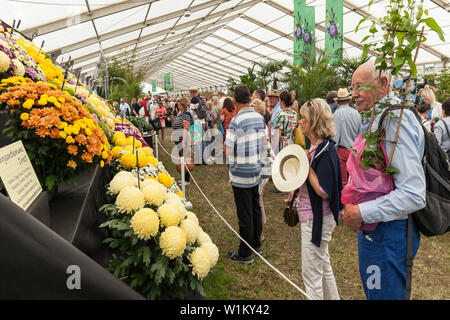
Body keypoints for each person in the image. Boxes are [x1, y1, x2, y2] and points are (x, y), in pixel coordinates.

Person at [344, 60, 425, 300]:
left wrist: (363, 212)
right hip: (377, 231)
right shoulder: (378, 117)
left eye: (359, 86)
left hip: (390, 233)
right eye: (352, 87)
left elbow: (413, 193)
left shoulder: (394, 121)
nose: (354, 94)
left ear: (383, 84)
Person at [295, 97, 342, 300]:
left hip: (317, 219)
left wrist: (307, 167)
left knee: (312, 275)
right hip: (315, 216)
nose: (300, 122)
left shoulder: (326, 149)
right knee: (323, 267)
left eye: (303, 118)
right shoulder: (319, 147)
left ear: (313, 121)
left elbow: (324, 190)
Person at [225, 85, 265, 264]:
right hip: (255, 169)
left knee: (245, 213)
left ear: (235, 101)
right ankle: (256, 243)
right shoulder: (259, 117)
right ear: (249, 99)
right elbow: (264, 143)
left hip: (241, 172)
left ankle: (245, 252)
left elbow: (228, 149)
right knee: (255, 207)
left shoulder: (236, 121)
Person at [332, 88, 362, 187]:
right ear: (349, 100)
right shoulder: (356, 113)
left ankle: (343, 201)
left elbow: (335, 136)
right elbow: (360, 133)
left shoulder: (337, 114)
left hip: (342, 150)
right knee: (353, 179)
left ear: (337, 102)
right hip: (354, 149)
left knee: (342, 181)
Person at [251, 98, 270, 242]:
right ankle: (257, 229)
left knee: (258, 200)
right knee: (258, 199)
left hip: (261, 166)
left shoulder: (260, 127)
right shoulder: (261, 125)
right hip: (262, 164)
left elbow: (263, 147)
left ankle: (260, 231)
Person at [171, 97, 194, 185]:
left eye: (180, 105)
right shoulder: (181, 113)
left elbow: (185, 128)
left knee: (185, 159)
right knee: (182, 159)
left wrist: (184, 143)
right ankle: (185, 178)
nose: (178, 106)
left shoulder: (186, 114)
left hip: (183, 140)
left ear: (184, 105)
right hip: (179, 140)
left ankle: (187, 180)